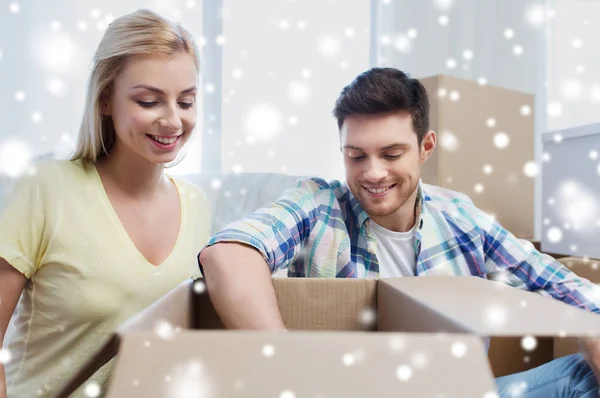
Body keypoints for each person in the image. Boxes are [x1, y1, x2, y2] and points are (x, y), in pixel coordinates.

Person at [198, 67, 600, 397]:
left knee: (584, 374)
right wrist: (286, 367)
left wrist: (591, 327)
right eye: (356, 156)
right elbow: (229, 252)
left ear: (425, 147)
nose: (373, 173)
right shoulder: (318, 205)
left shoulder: (461, 216)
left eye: (391, 154)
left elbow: (565, 286)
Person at [0, 9, 210, 398]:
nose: (172, 121)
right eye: (149, 101)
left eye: (186, 101)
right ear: (105, 100)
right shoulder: (47, 189)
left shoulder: (197, 207)